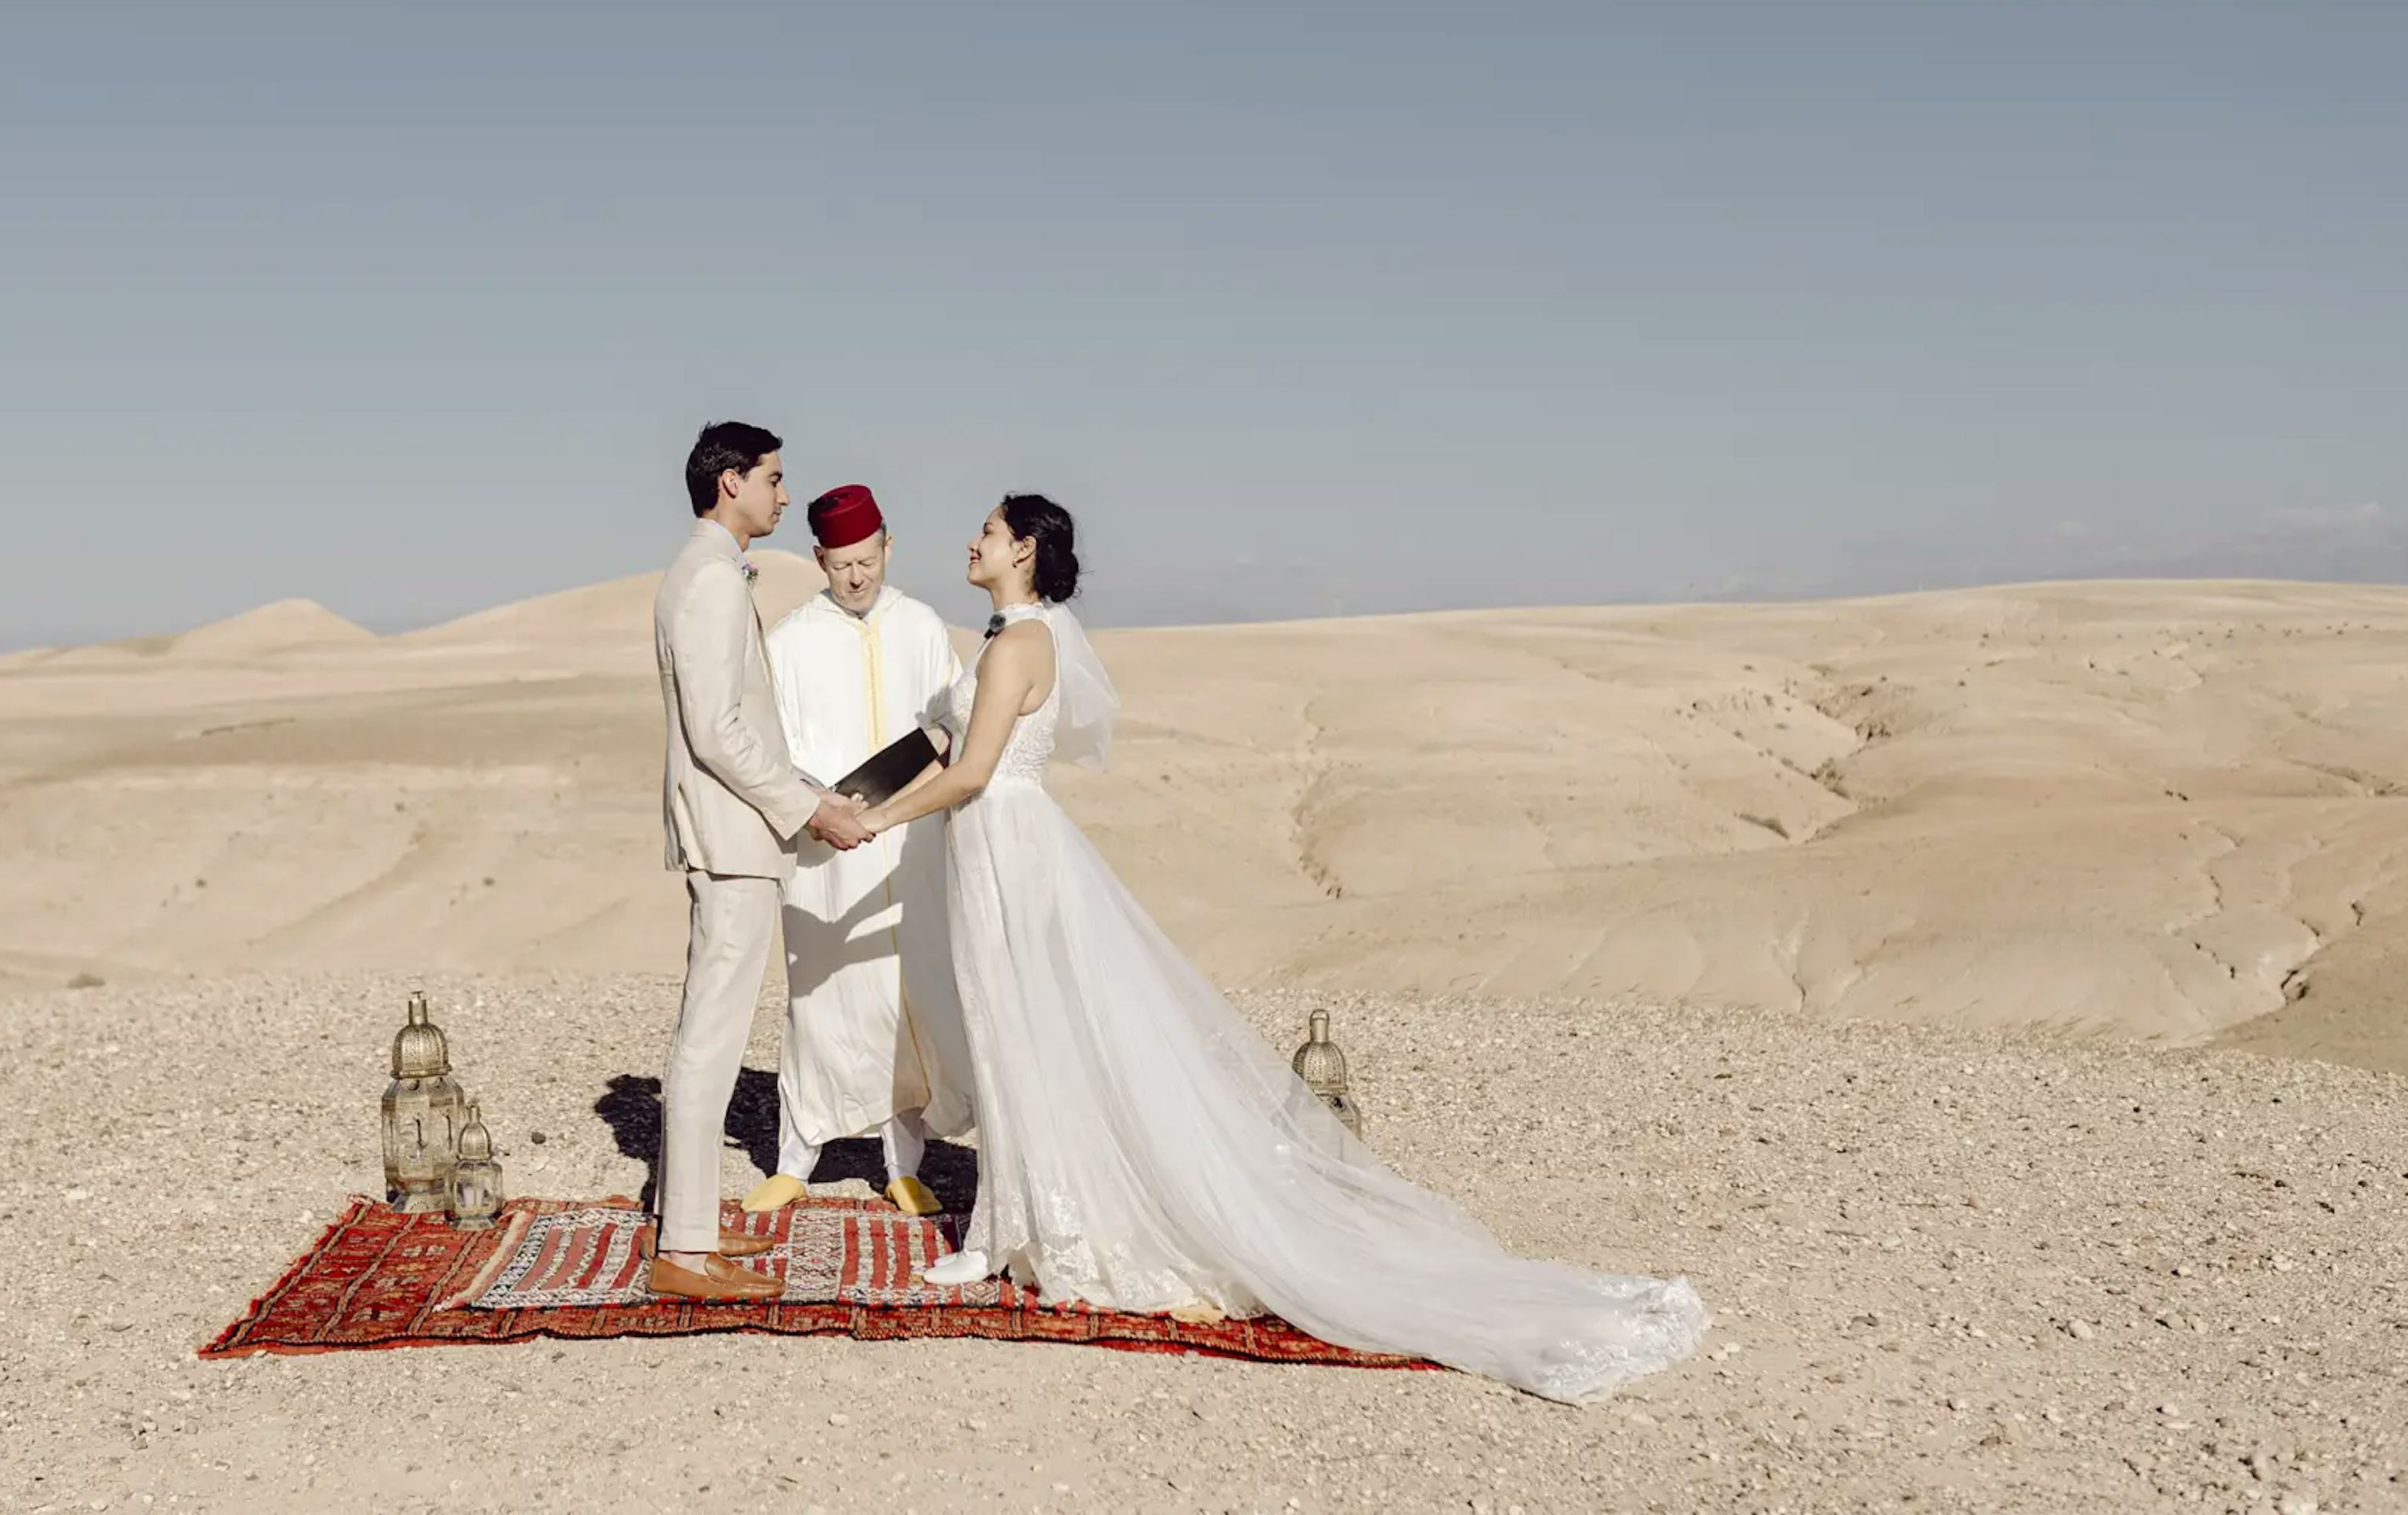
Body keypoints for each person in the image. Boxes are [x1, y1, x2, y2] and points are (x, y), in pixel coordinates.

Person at [856, 493, 1710, 1401]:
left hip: (1008, 847)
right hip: (995, 847)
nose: (972, 541)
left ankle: (1009, 1233)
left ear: (1023, 549)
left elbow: (977, 771)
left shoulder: (1020, 644)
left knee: (1022, 1028)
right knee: (1014, 1030)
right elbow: (952, 747)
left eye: (987, 531)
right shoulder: (1011, 639)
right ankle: (1018, 1217)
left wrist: (870, 821)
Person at [646, 421, 874, 1303]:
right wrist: (808, 806)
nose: (785, 494)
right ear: (730, 481)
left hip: (746, 832)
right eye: (774, 479)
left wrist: (816, 795)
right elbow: (718, 732)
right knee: (710, 1038)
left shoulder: (712, 572)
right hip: (733, 839)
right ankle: (682, 1252)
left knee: (714, 1031)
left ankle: (693, 1230)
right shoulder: (706, 579)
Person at [750, 484, 974, 1218]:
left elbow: (949, 724)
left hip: (909, 843)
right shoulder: (787, 641)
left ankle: (901, 1161)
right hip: (823, 851)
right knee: (818, 999)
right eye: (842, 563)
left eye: (867, 558)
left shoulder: (923, 625)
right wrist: (822, 806)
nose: (856, 576)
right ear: (819, 558)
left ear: (888, 546)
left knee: (906, 995)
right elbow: (772, 747)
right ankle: (794, 1156)